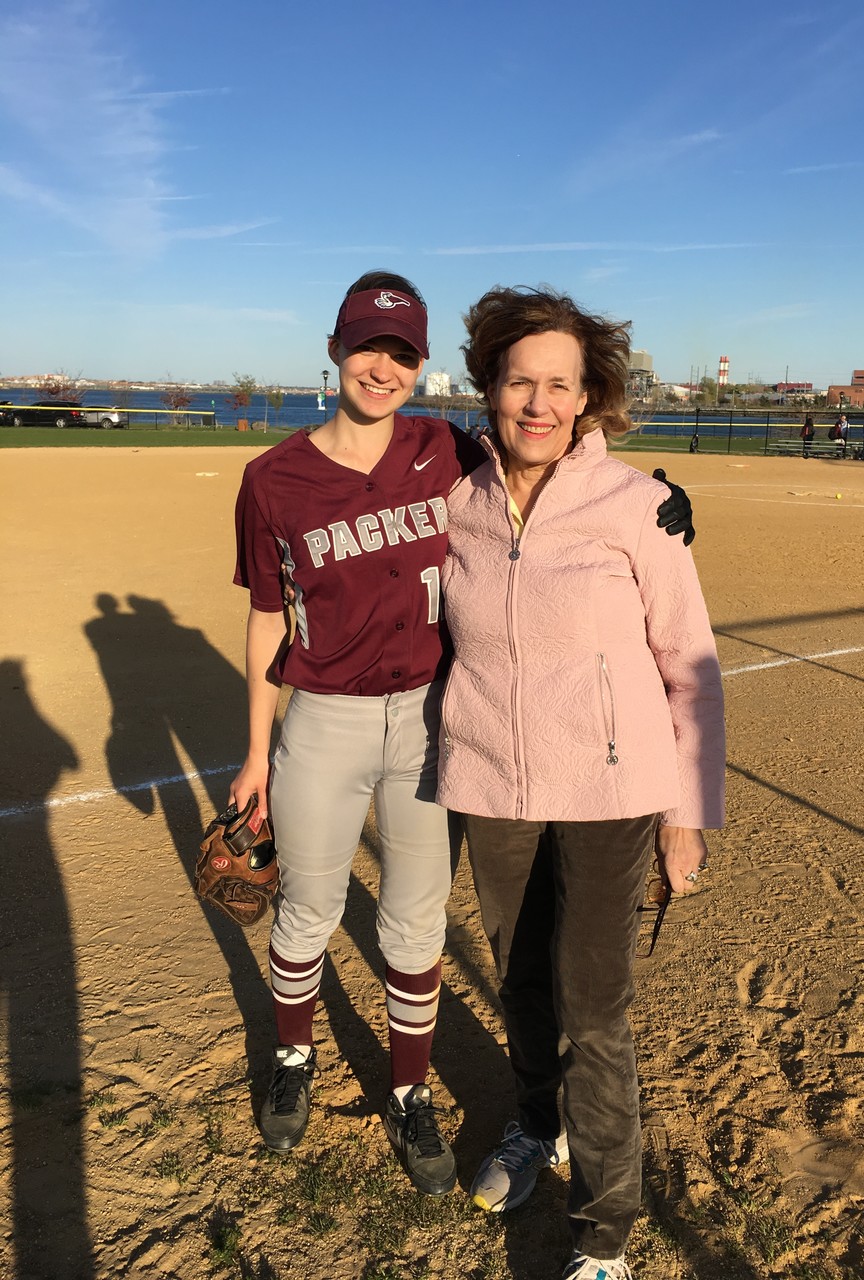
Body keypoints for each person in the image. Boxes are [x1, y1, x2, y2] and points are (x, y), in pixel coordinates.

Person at [229, 271, 696, 1195]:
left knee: (412, 919)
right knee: (308, 907)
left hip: (431, 720)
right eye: (369, 346)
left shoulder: (443, 447)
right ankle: (293, 1059)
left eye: (402, 353)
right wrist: (254, 750)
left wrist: (666, 502)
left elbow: (555, 461)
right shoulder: (271, 478)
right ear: (335, 347)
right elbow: (263, 617)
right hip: (323, 717)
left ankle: (409, 1094)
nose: (384, 366)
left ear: (421, 366)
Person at [435, 286, 725, 1279]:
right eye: (521, 380)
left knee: (593, 1007)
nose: (539, 401)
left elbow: (691, 661)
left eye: (560, 382)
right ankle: (535, 1122)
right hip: (493, 781)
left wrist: (688, 817)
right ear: (491, 387)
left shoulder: (641, 505)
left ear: (589, 395)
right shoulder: (452, 500)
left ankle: (605, 1233)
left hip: (613, 792)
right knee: (519, 980)